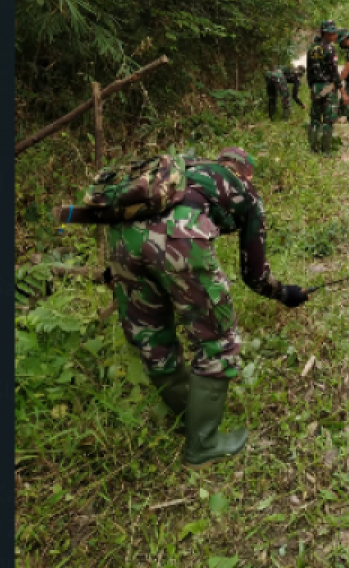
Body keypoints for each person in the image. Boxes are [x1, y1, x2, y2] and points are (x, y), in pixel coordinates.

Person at [104, 147, 310, 468]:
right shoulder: (247, 193)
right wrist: (285, 293)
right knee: (218, 341)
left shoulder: (182, 169)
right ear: (247, 172)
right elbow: (254, 276)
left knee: (152, 339)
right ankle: (204, 443)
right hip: (178, 237)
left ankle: (190, 414)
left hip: (118, 238)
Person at [306, 22, 349, 153]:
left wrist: (311, 88)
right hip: (328, 88)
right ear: (326, 33)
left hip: (316, 87)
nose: (335, 35)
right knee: (328, 122)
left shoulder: (312, 48)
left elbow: (309, 72)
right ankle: (326, 151)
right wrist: (343, 92)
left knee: (314, 120)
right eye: (333, 33)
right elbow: (334, 73)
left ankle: (313, 149)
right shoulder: (330, 49)